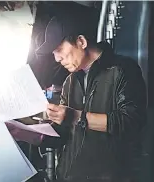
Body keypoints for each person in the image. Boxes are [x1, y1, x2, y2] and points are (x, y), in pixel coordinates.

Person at [10, 13, 147, 182]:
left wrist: (75, 116)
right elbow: (62, 135)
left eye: (59, 49)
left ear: (81, 42)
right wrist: (23, 133)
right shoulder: (70, 81)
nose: (57, 58)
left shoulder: (122, 69)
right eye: (54, 53)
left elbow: (131, 122)